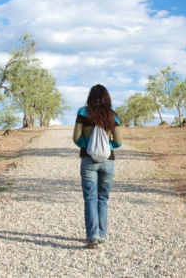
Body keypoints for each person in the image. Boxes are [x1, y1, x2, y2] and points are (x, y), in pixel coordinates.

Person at [72, 84, 122, 249]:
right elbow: (118, 141)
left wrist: (88, 146)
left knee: (90, 198)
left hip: (88, 159)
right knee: (103, 198)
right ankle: (101, 235)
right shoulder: (113, 116)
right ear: (107, 97)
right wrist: (106, 146)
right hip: (108, 160)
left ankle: (92, 236)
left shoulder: (83, 113)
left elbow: (76, 138)